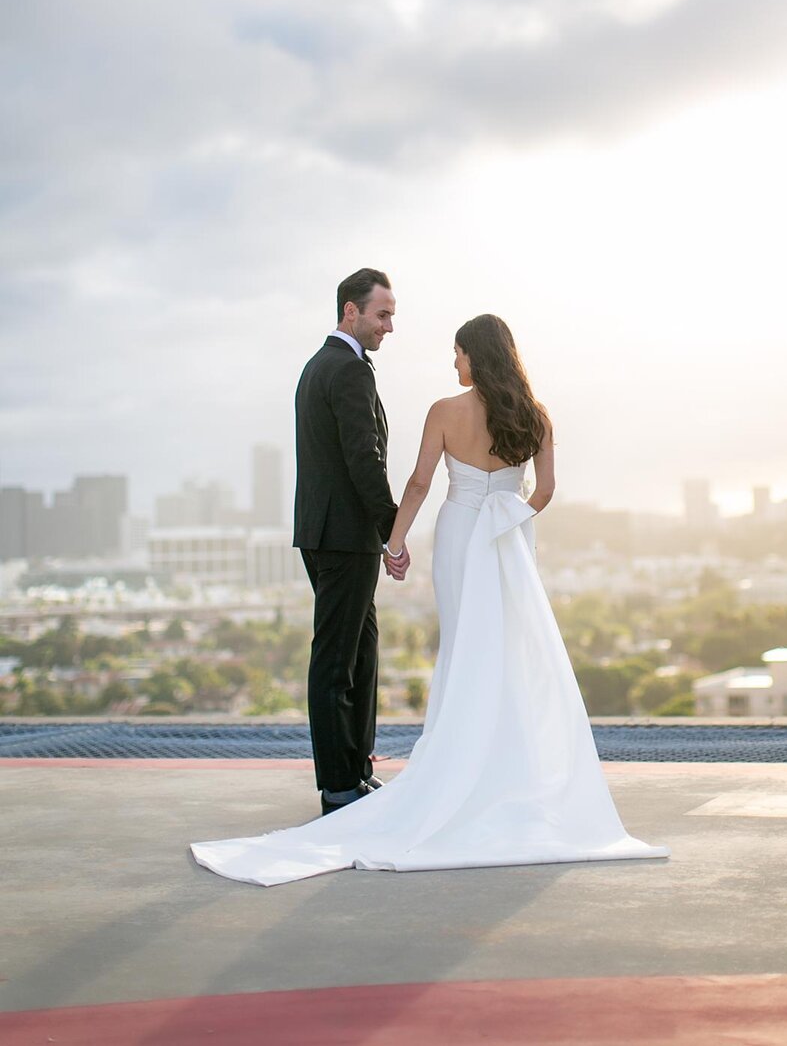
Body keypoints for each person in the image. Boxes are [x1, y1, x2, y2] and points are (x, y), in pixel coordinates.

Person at [191, 315, 669, 883]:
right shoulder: (536, 416)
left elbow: (418, 483)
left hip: (461, 533)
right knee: (508, 645)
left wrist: (393, 542)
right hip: (508, 540)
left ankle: (458, 761)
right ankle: (512, 770)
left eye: (458, 353)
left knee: (465, 641)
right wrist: (509, 516)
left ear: (476, 356)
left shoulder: (445, 410)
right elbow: (544, 492)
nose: (454, 363)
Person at [291, 267, 408, 817]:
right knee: (338, 660)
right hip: (344, 539)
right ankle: (340, 785)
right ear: (350, 311)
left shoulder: (319, 366)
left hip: (327, 535)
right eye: (381, 314)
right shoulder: (349, 370)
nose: (388, 326)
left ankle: (356, 770)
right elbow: (366, 460)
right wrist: (393, 531)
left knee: (361, 651)